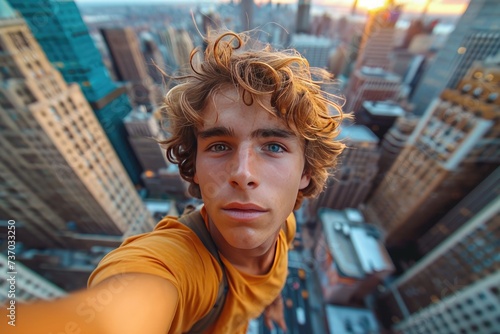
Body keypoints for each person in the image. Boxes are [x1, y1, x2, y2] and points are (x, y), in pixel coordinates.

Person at [3, 30, 345, 334]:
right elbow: (113, 317)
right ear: (193, 166)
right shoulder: (172, 263)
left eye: (273, 146)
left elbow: (268, 281)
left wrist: (272, 303)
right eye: (219, 146)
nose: (243, 173)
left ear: (305, 173)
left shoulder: (283, 224)